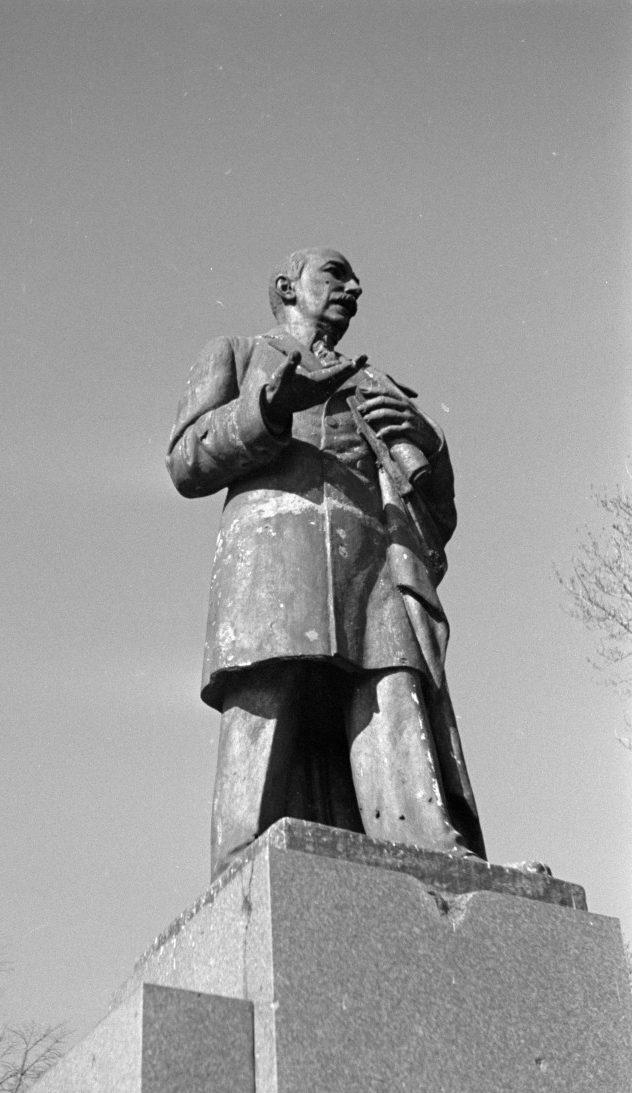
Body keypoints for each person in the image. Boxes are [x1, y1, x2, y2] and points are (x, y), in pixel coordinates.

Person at [167, 247, 486, 879]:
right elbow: (186, 460)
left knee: (393, 689)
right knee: (267, 692)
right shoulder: (235, 353)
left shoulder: (379, 385)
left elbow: (437, 517)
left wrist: (429, 444)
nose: (355, 288)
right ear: (287, 287)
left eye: (355, 279)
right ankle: (243, 859)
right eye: (335, 275)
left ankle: (429, 846)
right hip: (274, 556)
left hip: (376, 559)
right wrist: (269, 408)